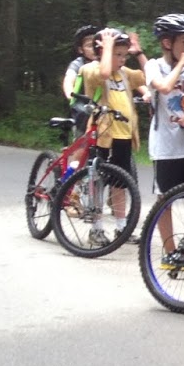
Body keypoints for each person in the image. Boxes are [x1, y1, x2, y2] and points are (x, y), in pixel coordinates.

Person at [145, 13, 184, 270]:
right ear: (167, 43)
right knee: (166, 199)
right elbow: (163, 88)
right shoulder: (153, 66)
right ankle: (170, 253)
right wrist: (181, 64)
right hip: (165, 146)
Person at [78, 27, 149, 233]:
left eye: (124, 55)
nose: (122, 59)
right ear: (102, 52)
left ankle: (120, 225)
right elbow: (104, 72)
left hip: (123, 135)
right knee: (97, 181)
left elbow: (149, 77)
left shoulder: (125, 74)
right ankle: (97, 228)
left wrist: (139, 54)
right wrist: (107, 47)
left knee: (120, 183)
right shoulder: (91, 69)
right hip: (103, 135)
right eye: (118, 55)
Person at [62, 24, 98, 102]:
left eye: (97, 45)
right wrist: (70, 93)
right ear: (80, 50)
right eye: (89, 46)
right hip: (85, 104)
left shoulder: (108, 62)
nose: (94, 49)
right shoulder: (78, 64)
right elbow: (69, 78)